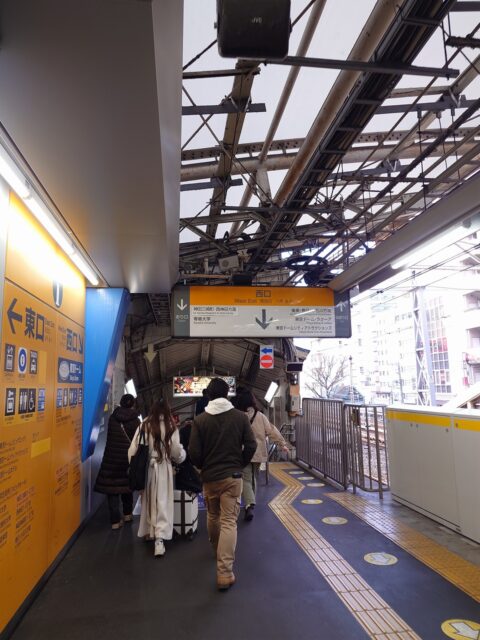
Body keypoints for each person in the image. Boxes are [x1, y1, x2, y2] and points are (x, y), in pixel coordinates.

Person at [189, 378, 257, 591]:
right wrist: (240, 463)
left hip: (210, 478)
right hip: (232, 477)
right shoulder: (240, 417)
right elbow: (251, 444)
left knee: (212, 516)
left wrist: (203, 467)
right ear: (228, 394)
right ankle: (225, 573)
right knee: (228, 522)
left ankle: (217, 550)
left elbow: (193, 452)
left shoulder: (200, 420)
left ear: (208, 395)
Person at [128, 395, 185, 557]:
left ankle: (149, 531)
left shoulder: (144, 425)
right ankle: (159, 540)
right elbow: (176, 451)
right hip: (164, 467)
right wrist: (182, 457)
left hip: (147, 468)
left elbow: (133, 450)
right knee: (162, 502)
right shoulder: (171, 425)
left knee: (148, 500)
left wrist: (135, 467)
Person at [234, 388, 289, 522]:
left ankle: (250, 504)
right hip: (258, 452)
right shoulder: (260, 416)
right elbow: (272, 431)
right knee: (253, 477)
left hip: (243, 452)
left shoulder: (236, 416)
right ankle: (250, 504)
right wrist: (282, 444)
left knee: (246, 479)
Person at [94, 393, 141, 530]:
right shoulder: (136, 422)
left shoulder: (112, 418)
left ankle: (115, 521)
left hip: (111, 459)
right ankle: (127, 514)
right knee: (127, 486)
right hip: (127, 459)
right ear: (133, 404)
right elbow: (137, 442)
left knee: (112, 490)